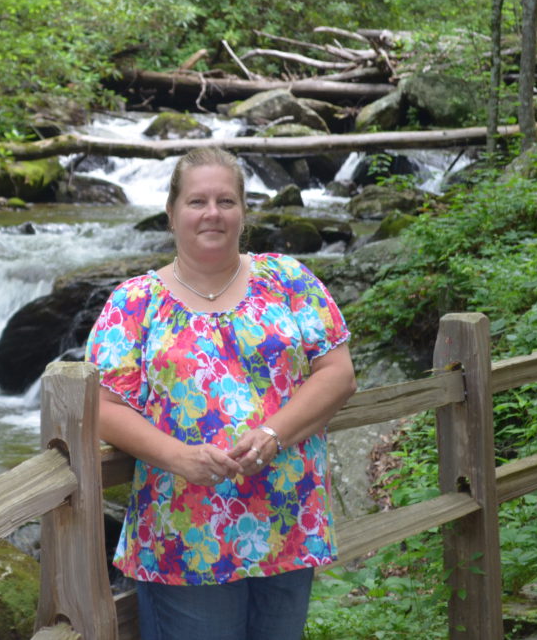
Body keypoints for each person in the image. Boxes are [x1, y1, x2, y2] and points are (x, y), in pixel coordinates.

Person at [85, 147, 357, 640]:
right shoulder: (133, 303)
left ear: (243, 213)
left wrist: (273, 432)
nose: (212, 213)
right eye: (197, 201)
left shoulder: (288, 280)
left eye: (226, 201)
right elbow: (104, 408)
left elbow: (337, 374)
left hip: (286, 520)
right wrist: (179, 456)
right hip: (187, 532)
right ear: (171, 214)